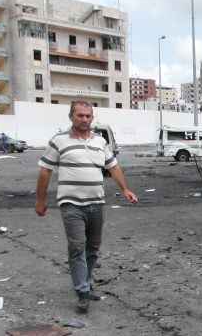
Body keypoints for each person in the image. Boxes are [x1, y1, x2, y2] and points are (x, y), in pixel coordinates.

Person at [34, 100, 138, 314]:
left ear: (92, 118)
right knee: (77, 247)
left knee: (93, 248)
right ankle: (82, 291)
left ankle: (87, 282)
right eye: (80, 115)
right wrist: (41, 200)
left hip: (96, 203)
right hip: (71, 204)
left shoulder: (100, 142)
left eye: (88, 116)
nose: (84, 119)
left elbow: (114, 167)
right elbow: (45, 171)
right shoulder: (59, 141)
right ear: (71, 117)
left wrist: (125, 189)